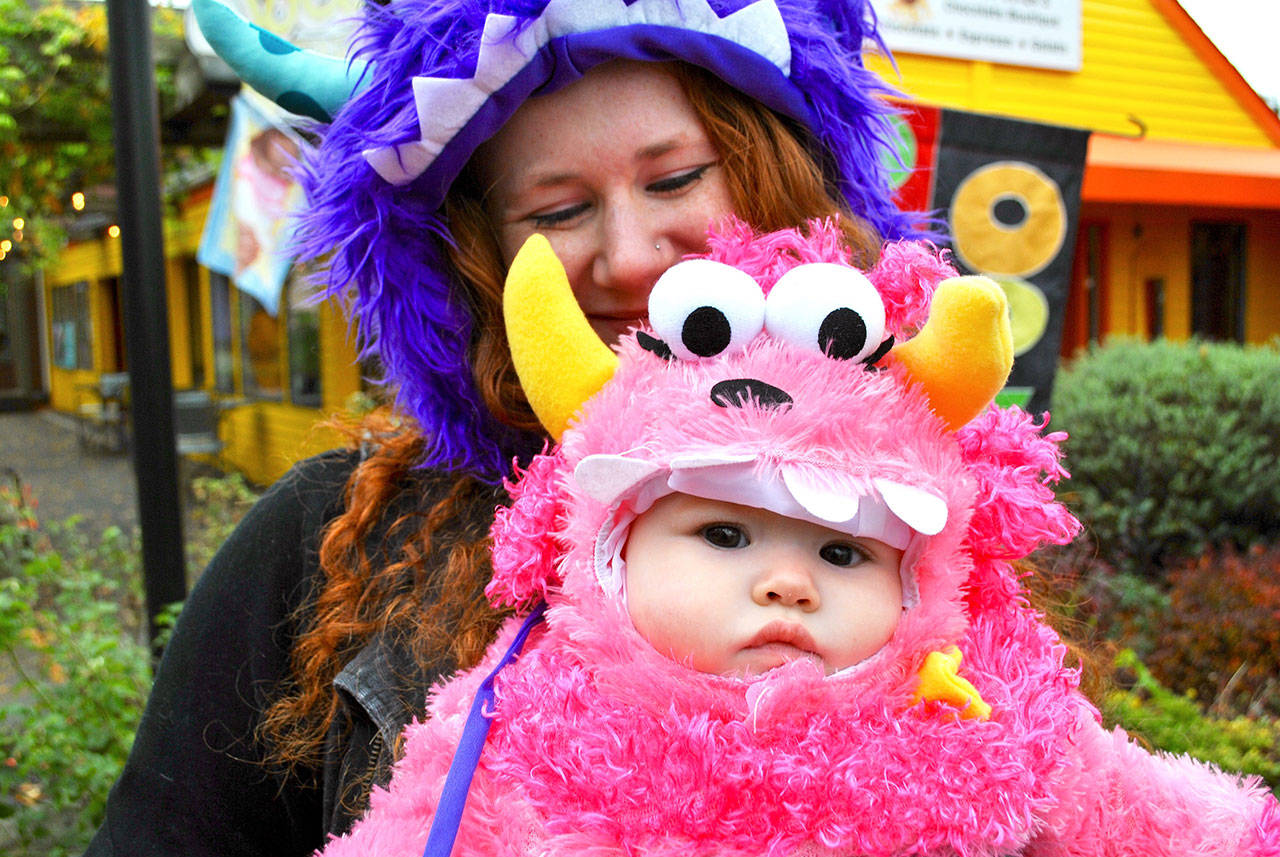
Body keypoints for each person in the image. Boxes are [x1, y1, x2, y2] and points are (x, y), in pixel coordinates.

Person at [84, 1, 923, 854]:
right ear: (478, 257)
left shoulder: (924, 516)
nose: (630, 255)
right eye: (558, 211)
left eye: (674, 180)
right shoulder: (334, 537)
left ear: (780, 180)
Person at [317, 219, 1280, 856]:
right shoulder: (524, 716)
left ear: (919, 577)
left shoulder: (981, 713)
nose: (787, 582)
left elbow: (1170, 824)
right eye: (725, 532)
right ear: (610, 549)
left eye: (843, 551)